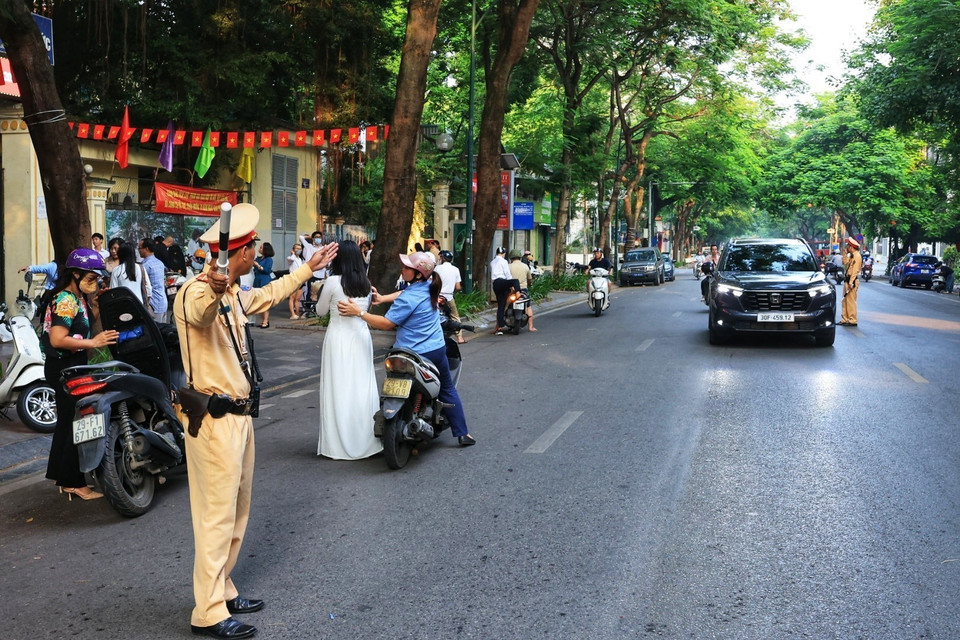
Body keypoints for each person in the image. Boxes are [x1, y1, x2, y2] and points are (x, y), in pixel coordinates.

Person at [172, 203, 337, 640]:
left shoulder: (232, 293)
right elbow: (202, 312)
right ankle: (206, 611)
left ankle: (223, 587)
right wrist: (214, 284)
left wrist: (307, 269)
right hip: (213, 417)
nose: (257, 259)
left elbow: (266, 295)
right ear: (241, 253)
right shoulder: (196, 291)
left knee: (237, 510)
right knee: (215, 515)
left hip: (239, 418)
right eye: (254, 251)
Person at [337, 251, 476, 447]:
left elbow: (386, 323)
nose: (402, 270)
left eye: (406, 268)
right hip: (433, 351)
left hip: (406, 352)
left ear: (418, 274)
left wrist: (358, 312)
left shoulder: (410, 296)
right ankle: (463, 433)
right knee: (447, 388)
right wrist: (383, 299)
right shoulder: (429, 287)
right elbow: (402, 297)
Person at [43, 249, 119, 501]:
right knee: (77, 423)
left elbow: (80, 328)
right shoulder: (66, 299)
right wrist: (95, 343)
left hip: (69, 366)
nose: (95, 282)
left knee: (66, 422)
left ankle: (60, 476)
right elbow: (57, 339)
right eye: (90, 277)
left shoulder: (78, 299)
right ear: (74, 274)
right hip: (66, 368)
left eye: (97, 278)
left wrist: (95, 306)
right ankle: (73, 482)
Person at [315, 241, 382, 460]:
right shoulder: (365, 282)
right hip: (361, 337)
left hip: (339, 338)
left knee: (339, 388)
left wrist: (319, 293)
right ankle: (366, 441)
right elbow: (368, 307)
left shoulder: (333, 282)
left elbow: (320, 311)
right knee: (362, 388)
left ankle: (338, 443)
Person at [435, 249, 465, 343]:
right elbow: (458, 287)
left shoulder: (437, 269)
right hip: (449, 297)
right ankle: (460, 338)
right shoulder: (455, 269)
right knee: (455, 316)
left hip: (437, 296)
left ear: (442, 258)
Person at [490, 246, 519, 336]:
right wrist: (513, 287)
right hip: (502, 281)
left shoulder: (492, 262)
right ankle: (518, 294)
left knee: (500, 306)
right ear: (503, 253)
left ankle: (500, 328)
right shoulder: (504, 261)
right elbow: (507, 274)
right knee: (515, 281)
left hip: (495, 284)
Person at [138, 238, 168, 323]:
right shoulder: (160, 263)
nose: (138, 251)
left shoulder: (145, 266)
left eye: (140, 248)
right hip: (163, 302)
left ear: (146, 249)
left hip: (152, 305)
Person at [508, 250, 537, 332]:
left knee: (504, 305)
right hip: (523, 290)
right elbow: (529, 279)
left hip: (512, 290)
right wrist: (530, 284)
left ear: (511, 258)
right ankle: (531, 327)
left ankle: (499, 326)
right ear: (520, 257)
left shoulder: (508, 266)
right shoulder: (525, 266)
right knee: (528, 307)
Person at [252, 242, 275, 328]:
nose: (260, 249)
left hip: (264, 280)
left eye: (261, 248)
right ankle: (264, 320)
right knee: (259, 302)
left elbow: (267, 270)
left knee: (265, 301)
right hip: (257, 279)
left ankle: (265, 321)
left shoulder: (269, 259)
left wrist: (258, 266)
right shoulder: (258, 258)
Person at [840, 237, 862, 326]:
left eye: (848, 246)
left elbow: (855, 271)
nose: (847, 248)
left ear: (852, 247)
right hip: (847, 280)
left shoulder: (857, 256)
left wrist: (851, 283)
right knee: (844, 300)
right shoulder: (852, 255)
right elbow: (844, 263)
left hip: (851, 282)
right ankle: (845, 319)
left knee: (851, 301)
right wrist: (845, 254)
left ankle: (852, 319)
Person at [299, 230, 327, 301]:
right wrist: (309, 237)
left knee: (320, 292)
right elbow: (301, 237)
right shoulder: (309, 247)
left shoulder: (324, 248)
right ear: (313, 239)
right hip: (312, 273)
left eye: (319, 237)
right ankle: (309, 309)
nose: (318, 239)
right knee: (310, 292)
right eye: (316, 237)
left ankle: (317, 309)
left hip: (321, 274)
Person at [286, 243, 305, 319]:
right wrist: (293, 254)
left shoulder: (300, 259)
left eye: (300, 249)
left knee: (298, 298)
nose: (298, 250)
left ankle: (298, 313)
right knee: (292, 297)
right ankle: (292, 314)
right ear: (293, 249)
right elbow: (292, 259)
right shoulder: (290, 258)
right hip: (293, 279)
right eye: (296, 248)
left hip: (300, 279)